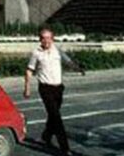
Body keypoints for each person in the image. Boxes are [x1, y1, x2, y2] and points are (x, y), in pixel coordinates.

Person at [24, 28, 84, 156]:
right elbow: (29, 70)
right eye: (43, 38)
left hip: (59, 88)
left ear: (52, 39)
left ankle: (46, 135)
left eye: (48, 38)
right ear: (40, 39)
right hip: (45, 88)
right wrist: (27, 88)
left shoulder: (57, 50)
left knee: (53, 116)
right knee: (56, 117)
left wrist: (78, 68)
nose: (46, 41)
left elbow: (68, 62)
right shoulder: (36, 53)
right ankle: (64, 148)